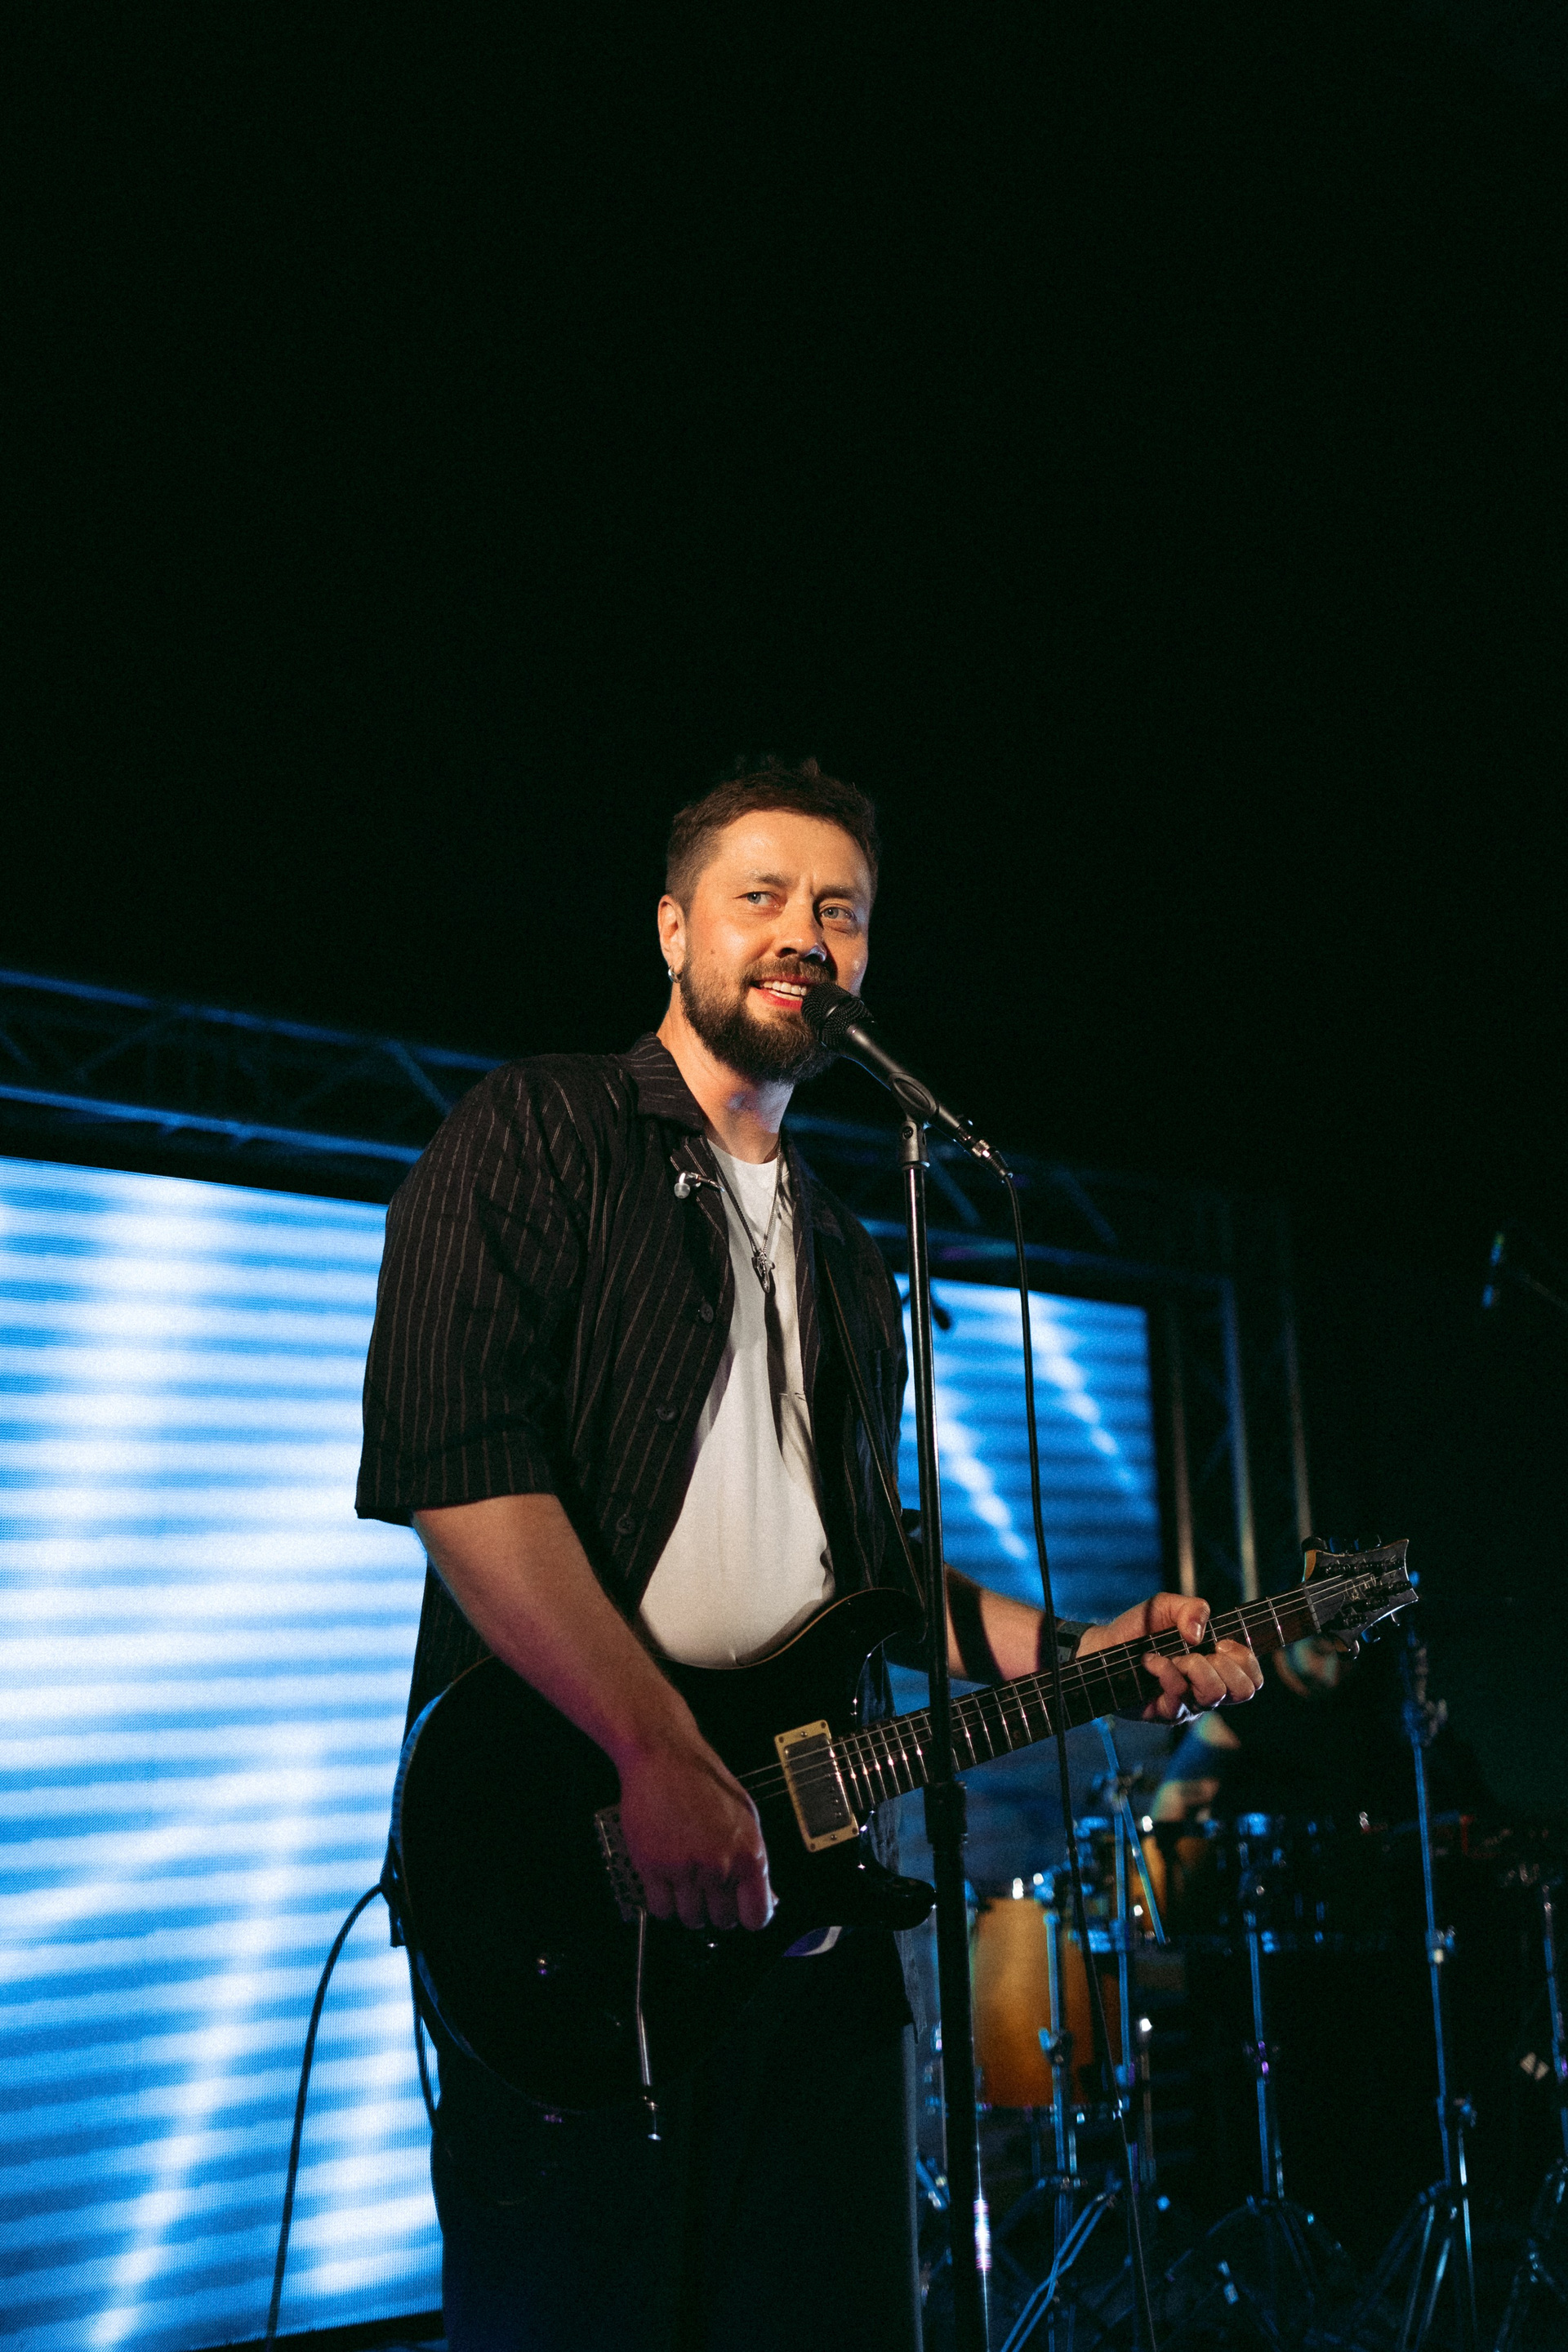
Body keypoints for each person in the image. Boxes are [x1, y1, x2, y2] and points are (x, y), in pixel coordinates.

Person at [355, 757, 1263, 2352]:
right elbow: (459, 1465)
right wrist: (654, 1751)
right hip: (577, 1884)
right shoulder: (539, 1132)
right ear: (672, 930)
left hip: (815, 1924)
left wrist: (1085, 1650)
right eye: (760, 896)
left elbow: (869, 1567)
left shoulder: (848, 1248)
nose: (804, 933)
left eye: (839, 911)